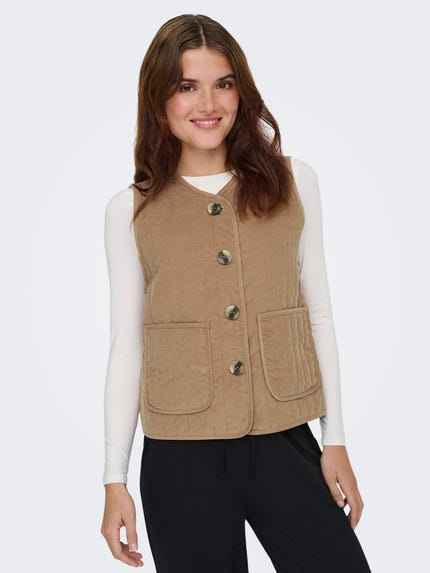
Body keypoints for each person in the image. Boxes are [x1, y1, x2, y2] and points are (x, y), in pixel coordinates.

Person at [100, 13, 372, 573]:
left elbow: (319, 314)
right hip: (180, 458)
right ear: (158, 99)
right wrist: (114, 478)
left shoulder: (295, 183)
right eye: (186, 86)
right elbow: (127, 345)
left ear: (241, 91)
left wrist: (336, 439)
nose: (208, 103)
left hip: (285, 442)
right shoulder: (130, 210)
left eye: (223, 84)